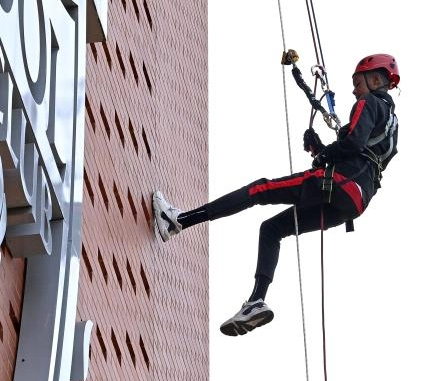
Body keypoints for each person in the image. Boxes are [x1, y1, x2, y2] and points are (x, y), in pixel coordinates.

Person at [152, 54, 400, 336]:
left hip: (339, 183)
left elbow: (352, 144)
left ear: (376, 79)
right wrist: (319, 150)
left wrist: (325, 155)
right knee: (272, 229)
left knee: (259, 189)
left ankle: (177, 220)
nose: (354, 90)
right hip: (352, 203)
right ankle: (257, 300)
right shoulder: (393, 126)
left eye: (358, 82)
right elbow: (358, 153)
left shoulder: (369, 103)